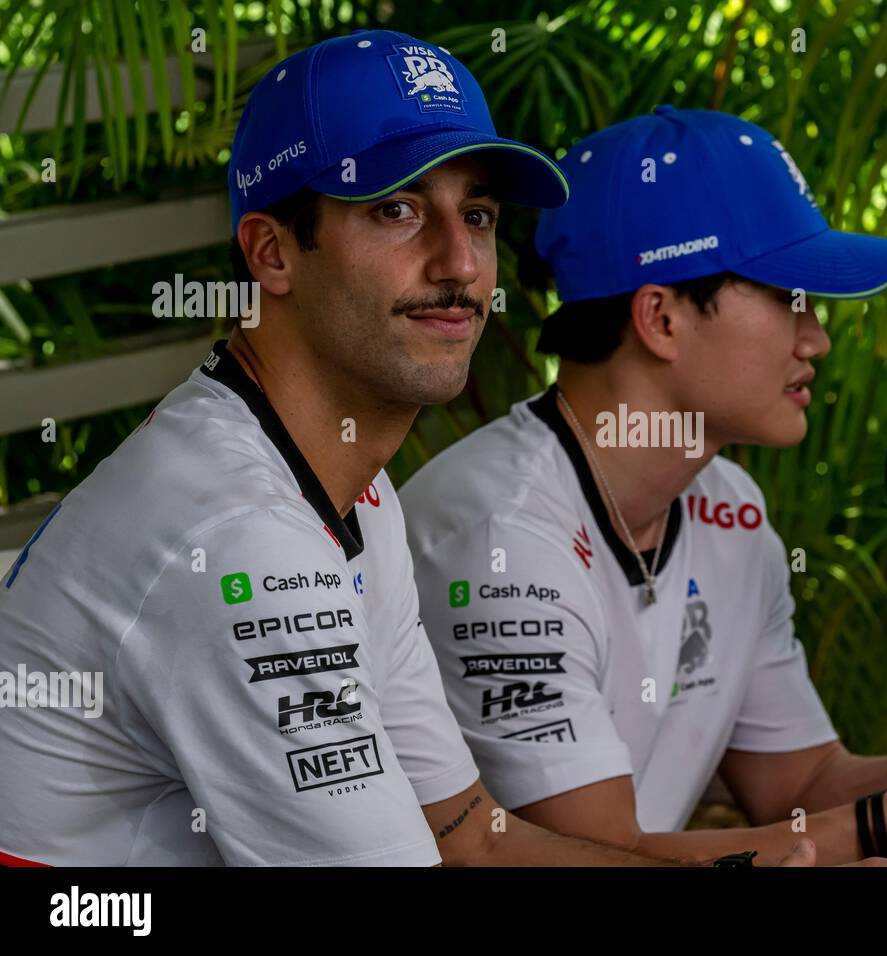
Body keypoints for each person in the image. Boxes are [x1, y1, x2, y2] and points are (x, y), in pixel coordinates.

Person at [0, 34, 830, 868]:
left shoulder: (349, 490)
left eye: (476, 215)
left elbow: (468, 833)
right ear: (271, 251)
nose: (462, 263)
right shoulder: (240, 537)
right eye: (395, 208)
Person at [400, 107, 887, 865]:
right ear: (660, 317)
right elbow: (592, 856)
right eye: (791, 296)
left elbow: (803, 781)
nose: (817, 336)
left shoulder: (730, 507)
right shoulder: (501, 538)